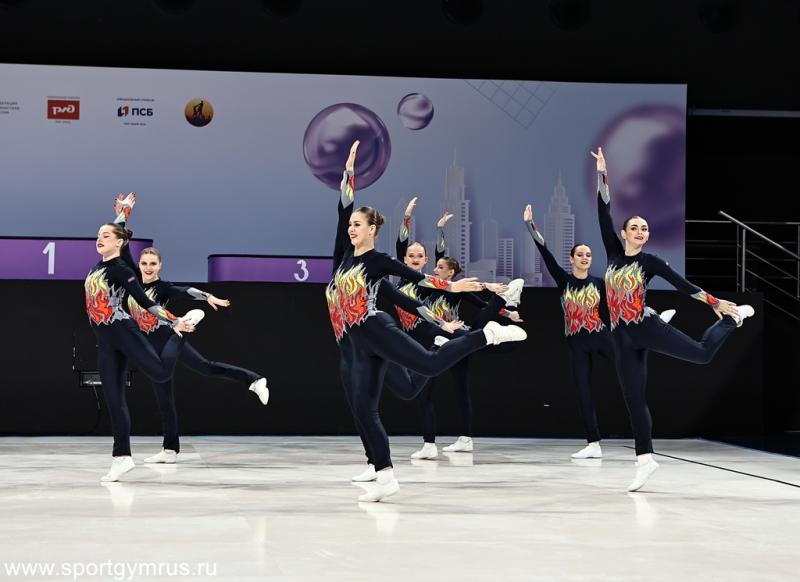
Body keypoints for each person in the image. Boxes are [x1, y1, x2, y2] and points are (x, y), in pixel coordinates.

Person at [592, 147, 754, 491]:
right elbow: (603, 212)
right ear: (624, 233)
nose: (640, 231)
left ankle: (733, 321)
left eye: (644, 228)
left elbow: (683, 285)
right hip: (621, 337)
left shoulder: (650, 262)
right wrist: (603, 172)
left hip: (644, 326)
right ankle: (645, 460)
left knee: (702, 354)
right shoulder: (613, 254)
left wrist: (715, 303)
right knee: (633, 399)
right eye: (634, 227)